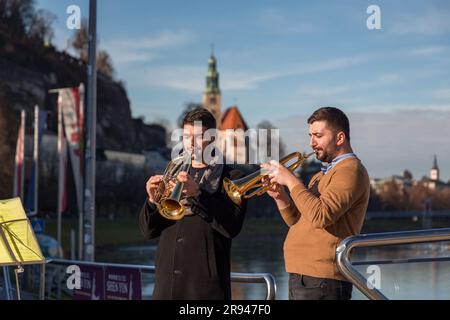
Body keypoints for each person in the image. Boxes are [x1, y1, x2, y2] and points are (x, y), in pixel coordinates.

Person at [261, 107, 370, 300]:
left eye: (318, 135)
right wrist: (280, 196)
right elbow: (297, 220)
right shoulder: (320, 175)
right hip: (304, 276)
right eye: (310, 136)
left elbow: (321, 216)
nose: (312, 143)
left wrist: (292, 181)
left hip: (323, 280)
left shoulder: (350, 171)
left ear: (340, 138)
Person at [139, 108, 246, 300]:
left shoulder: (232, 178)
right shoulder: (170, 173)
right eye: (187, 136)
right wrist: (152, 201)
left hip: (205, 291)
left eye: (199, 136)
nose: (191, 142)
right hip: (166, 289)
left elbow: (232, 227)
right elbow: (148, 231)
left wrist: (198, 193)